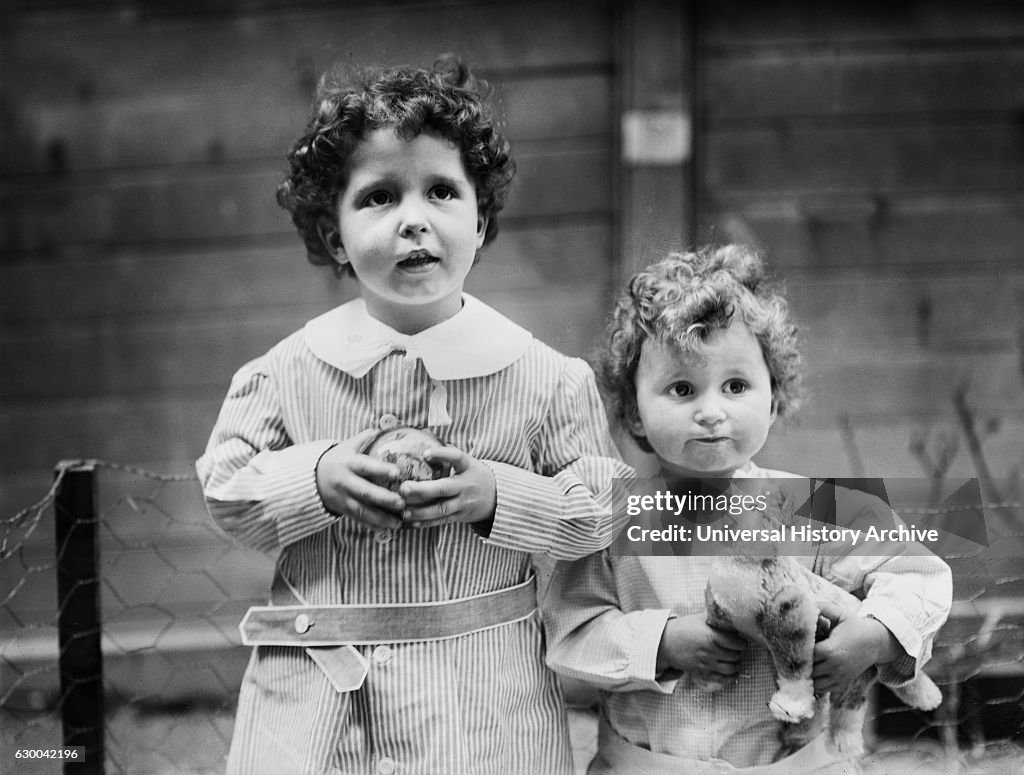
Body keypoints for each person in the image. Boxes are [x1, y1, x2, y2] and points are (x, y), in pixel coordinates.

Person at [196, 55, 632, 775]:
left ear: (480, 220)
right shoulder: (285, 372)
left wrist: (498, 495)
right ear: (334, 236)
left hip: (485, 699)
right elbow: (226, 485)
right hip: (317, 692)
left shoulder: (546, 379)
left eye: (441, 191)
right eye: (378, 197)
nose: (414, 220)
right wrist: (316, 476)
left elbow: (599, 508)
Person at [542, 246, 953, 774]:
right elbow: (572, 628)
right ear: (635, 413)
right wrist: (661, 642)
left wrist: (874, 636)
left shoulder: (817, 503)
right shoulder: (612, 517)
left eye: (736, 386)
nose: (712, 412)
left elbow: (919, 572)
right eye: (682, 389)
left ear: (773, 398)